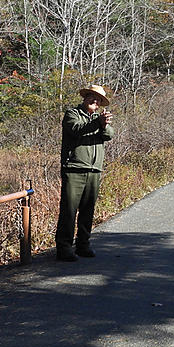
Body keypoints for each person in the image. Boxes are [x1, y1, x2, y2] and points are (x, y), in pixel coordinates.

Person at [55, 84, 115, 261]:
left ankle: (83, 245)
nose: (94, 101)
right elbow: (76, 129)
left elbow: (109, 135)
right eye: (92, 97)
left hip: (94, 170)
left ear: (100, 105)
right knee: (69, 210)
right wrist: (97, 123)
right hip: (74, 168)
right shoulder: (72, 114)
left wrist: (103, 124)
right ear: (85, 97)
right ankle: (64, 248)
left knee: (88, 210)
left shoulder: (99, 118)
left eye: (98, 100)